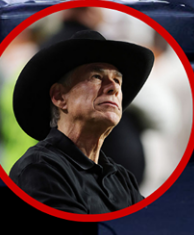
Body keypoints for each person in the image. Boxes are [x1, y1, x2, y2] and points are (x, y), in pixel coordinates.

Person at [9, 29, 154, 214]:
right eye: (96, 77)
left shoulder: (121, 177)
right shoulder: (39, 168)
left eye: (118, 80)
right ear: (59, 97)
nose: (114, 88)